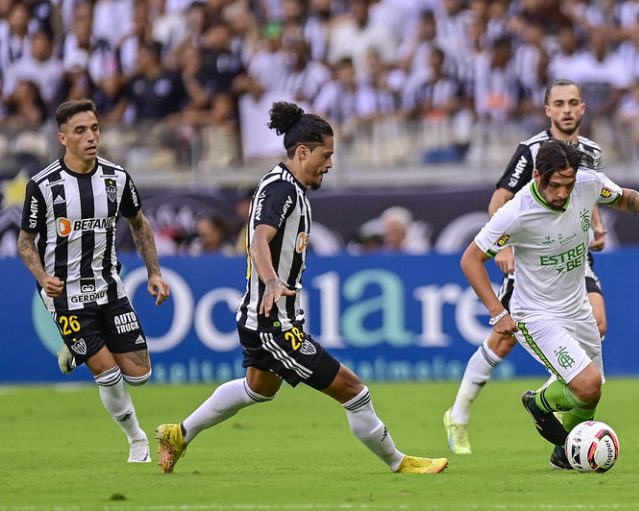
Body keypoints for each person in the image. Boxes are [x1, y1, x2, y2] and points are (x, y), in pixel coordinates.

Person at [155, 101, 448, 475]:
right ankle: (399, 462)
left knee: (258, 389)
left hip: (266, 318)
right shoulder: (281, 190)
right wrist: (272, 280)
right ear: (303, 151)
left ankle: (178, 434)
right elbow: (259, 239)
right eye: (326, 155)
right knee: (353, 390)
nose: (330, 163)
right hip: (272, 323)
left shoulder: (288, 186)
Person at [461, 139, 639, 469]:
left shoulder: (586, 183)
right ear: (537, 175)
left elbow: (623, 198)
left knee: (593, 391)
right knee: (584, 384)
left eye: (568, 184)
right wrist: (496, 312)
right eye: (555, 185)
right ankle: (539, 404)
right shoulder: (516, 212)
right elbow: (470, 260)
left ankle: (563, 456)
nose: (562, 193)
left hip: (577, 309)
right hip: (537, 315)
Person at [444, 79, 608, 455]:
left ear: (583, 109)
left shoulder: (590, 152)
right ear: (547, 110)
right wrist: (504, 247)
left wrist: (596, 226)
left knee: (598, 323)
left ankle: (566, 417)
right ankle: (459, 413)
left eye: (573, 103)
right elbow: (500, 198)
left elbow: (587, 190)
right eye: (559, 104)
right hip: (531, 256)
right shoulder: (530, 151)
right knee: (504, 337)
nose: (566, 110)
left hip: (573, 255)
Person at [17, 98, 171, 463]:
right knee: (108, 372)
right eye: (80, 130)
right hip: (65, 297)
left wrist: (154, 272)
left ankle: (74, 349)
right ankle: (137, 441)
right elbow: (25, 240)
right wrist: (42, 276)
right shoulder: (43, 186)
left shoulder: (117, 179)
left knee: (140, 375)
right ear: (62, 138)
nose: (91, 137)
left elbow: (139, 224)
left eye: (95, 128)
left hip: (109, 288)